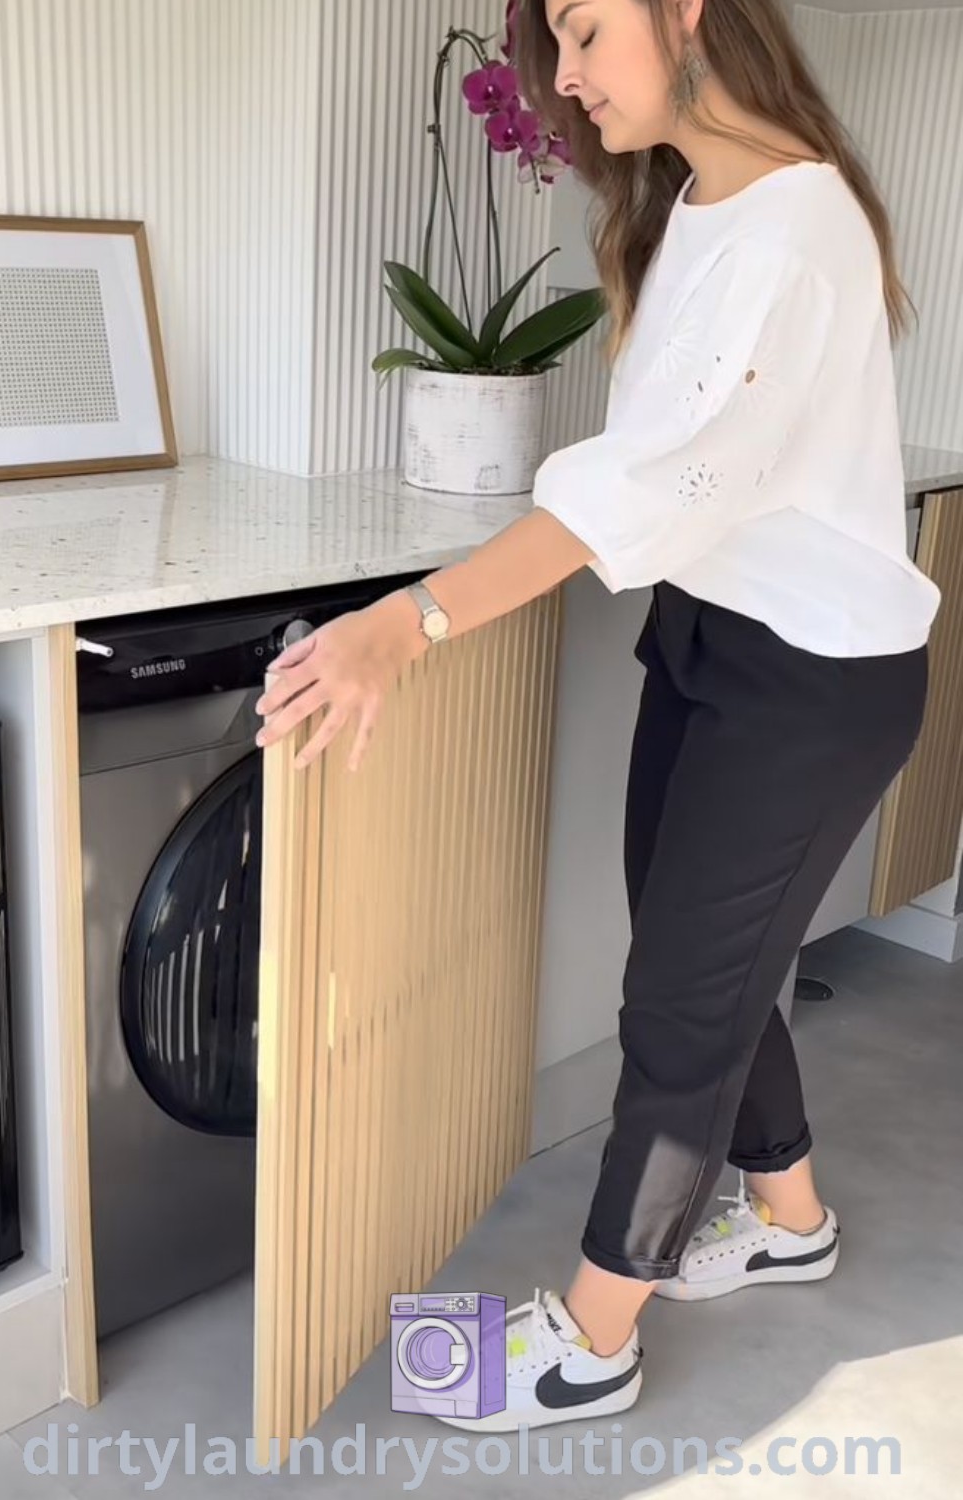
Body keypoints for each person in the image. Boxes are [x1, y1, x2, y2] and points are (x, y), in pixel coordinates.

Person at [254, 0, 942, 1435]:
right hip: (715, 634)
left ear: (687, 12)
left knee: (681, 1005)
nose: (562, 81)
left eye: (579, 34)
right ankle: (791, 1218)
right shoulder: (700, 202)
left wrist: (413, 617)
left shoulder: (795, 228)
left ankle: (592, 1340)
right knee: (696, 958)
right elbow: (656, 470)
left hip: (814, 677)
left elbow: (646, 485)